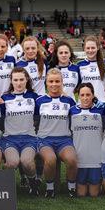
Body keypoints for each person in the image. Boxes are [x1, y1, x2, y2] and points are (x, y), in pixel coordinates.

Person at [35, 68, 78, 198]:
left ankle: (71, 187)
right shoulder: (39, 101)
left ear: (62, 82)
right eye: (51, 81)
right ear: (46, 83)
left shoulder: (69, 101)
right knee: (50, 159)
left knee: (72, 160)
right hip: (45, 139)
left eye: (57, 81)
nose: (54, 84)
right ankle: (50, 188)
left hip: (64, 140)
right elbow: (34, 121)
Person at [1, 67, 40, 194]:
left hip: (29, 138)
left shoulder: (34, 97)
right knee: (12, 163)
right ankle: (5, 188)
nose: (18, 83)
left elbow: (40, 116)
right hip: (10, 139)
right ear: (11, 81)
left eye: (21, 79)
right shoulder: (4, 99)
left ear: (26, 80)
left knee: (27, 162)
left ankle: (33, 183)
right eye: (15, 80)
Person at [69, 83, 104, 197]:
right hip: (79, 159)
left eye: (88, 94)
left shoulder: (100, 111)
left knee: (94, 194)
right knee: (81, 194)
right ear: (78, 96)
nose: (85, 98)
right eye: (82, 95)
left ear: (93, 95)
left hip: (96, 160)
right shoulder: (72, 111)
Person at [77, 35, 105, 103]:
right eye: (88, 48)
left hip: (102, 103)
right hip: (84, 103)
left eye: (93, 48)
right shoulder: (79, 65)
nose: (90, 50)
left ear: (98, 47)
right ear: (84, 49)